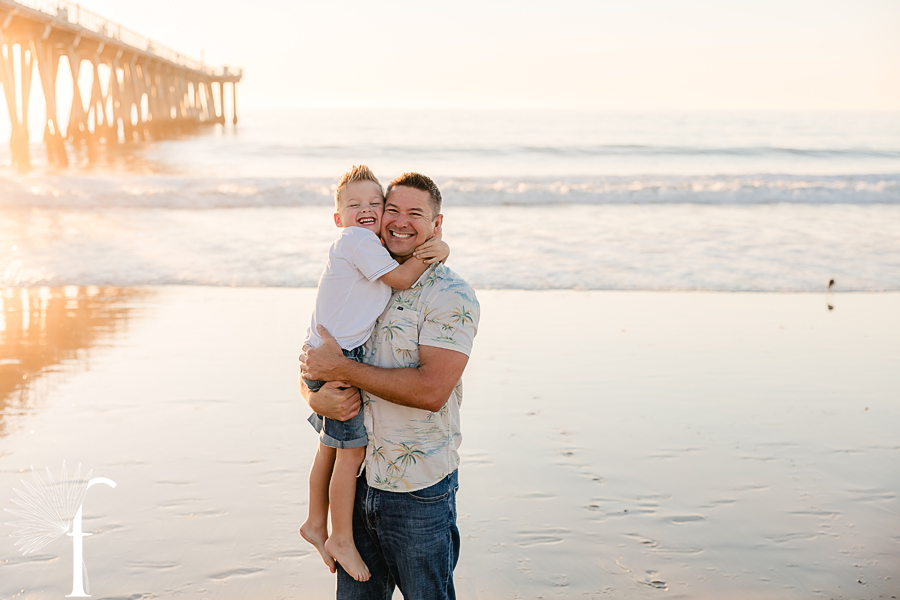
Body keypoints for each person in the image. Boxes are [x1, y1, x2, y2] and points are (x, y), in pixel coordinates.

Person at [300, 172, 480, 600]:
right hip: (356, 483)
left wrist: (342, 369)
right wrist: (313, 395)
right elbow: (315, 356)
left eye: (414, 213)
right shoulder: (360, 275)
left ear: (436, 225)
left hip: (415, 491)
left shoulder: (450, 294)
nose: (399, 221)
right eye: (391, 210)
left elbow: (430, 391)